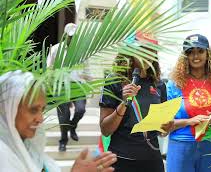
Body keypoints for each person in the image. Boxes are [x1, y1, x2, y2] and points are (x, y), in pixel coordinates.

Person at [0, 70, 117, 172]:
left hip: (78, 87)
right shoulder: (3, 157)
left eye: (42, 110)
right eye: (33, 110)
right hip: (62, 89)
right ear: (7, 109)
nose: (40, 119)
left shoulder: (28, 147)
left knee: (80, 110)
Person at [99, 32, 174, 172]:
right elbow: (105, 130)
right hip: (121, 160)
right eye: (142, 49)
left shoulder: (159, 85)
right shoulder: (113, 81)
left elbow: (161, 132)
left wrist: (166, 128)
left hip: (152, 160)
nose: (148, 55)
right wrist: (123, 103)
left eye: (152, 50)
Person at [166, 34, 211, 172]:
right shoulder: (173, 85)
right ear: (185, 57)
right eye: (190, 52)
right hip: (181, 146)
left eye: (200, 51)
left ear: (208, 54)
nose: (196, 56)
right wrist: (189, 121)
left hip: (210, 147)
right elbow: (165, 126)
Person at [47, 23, 90, 152]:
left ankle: (72, 126)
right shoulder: (55, 49)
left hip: (78, 86)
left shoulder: (82, 51)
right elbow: (49, 69)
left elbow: (87, 71)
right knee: (63, 116)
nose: (72, 39)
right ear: (65, 36)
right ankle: (63, 140)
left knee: (80, 110)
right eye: (70, 36)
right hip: (61, 86)